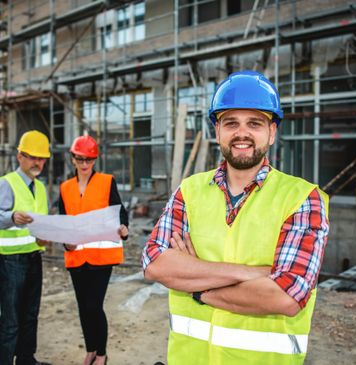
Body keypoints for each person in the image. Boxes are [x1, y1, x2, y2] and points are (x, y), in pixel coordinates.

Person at [142, 70, 330, 365]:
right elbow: (154, 264)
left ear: (272, 131)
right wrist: (254, 273)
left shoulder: (303, 199)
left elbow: (286, 297)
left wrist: (198, 286)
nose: (242, 133)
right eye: (231, 123)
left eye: (254, 123)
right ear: (217, 131)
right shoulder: (189, 191)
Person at [58, 135, 129, 365]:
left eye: (89, 160)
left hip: (101, 257)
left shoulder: (107, 182)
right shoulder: (65, 188)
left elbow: (120, 212)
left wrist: (123, 227)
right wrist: (65, 242)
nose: (84, 164)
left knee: (94, 305)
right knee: (82, 307)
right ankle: (90, 349)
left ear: (95, 160)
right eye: (80, 159)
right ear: (73, 159)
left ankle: (101, 353)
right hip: (76, 256)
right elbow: (62, 221)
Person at [0, 130, 52, 365]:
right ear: (20, 156)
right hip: (11, 261)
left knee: (30, 315)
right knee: (10, 321)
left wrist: (44, 238)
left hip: (34, 257)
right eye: (32, 157)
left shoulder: (41, 188)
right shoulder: (6, 183)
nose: (37, 162)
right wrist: (12, 217)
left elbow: (41, 224)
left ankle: (25, 359)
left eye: (41, 158)